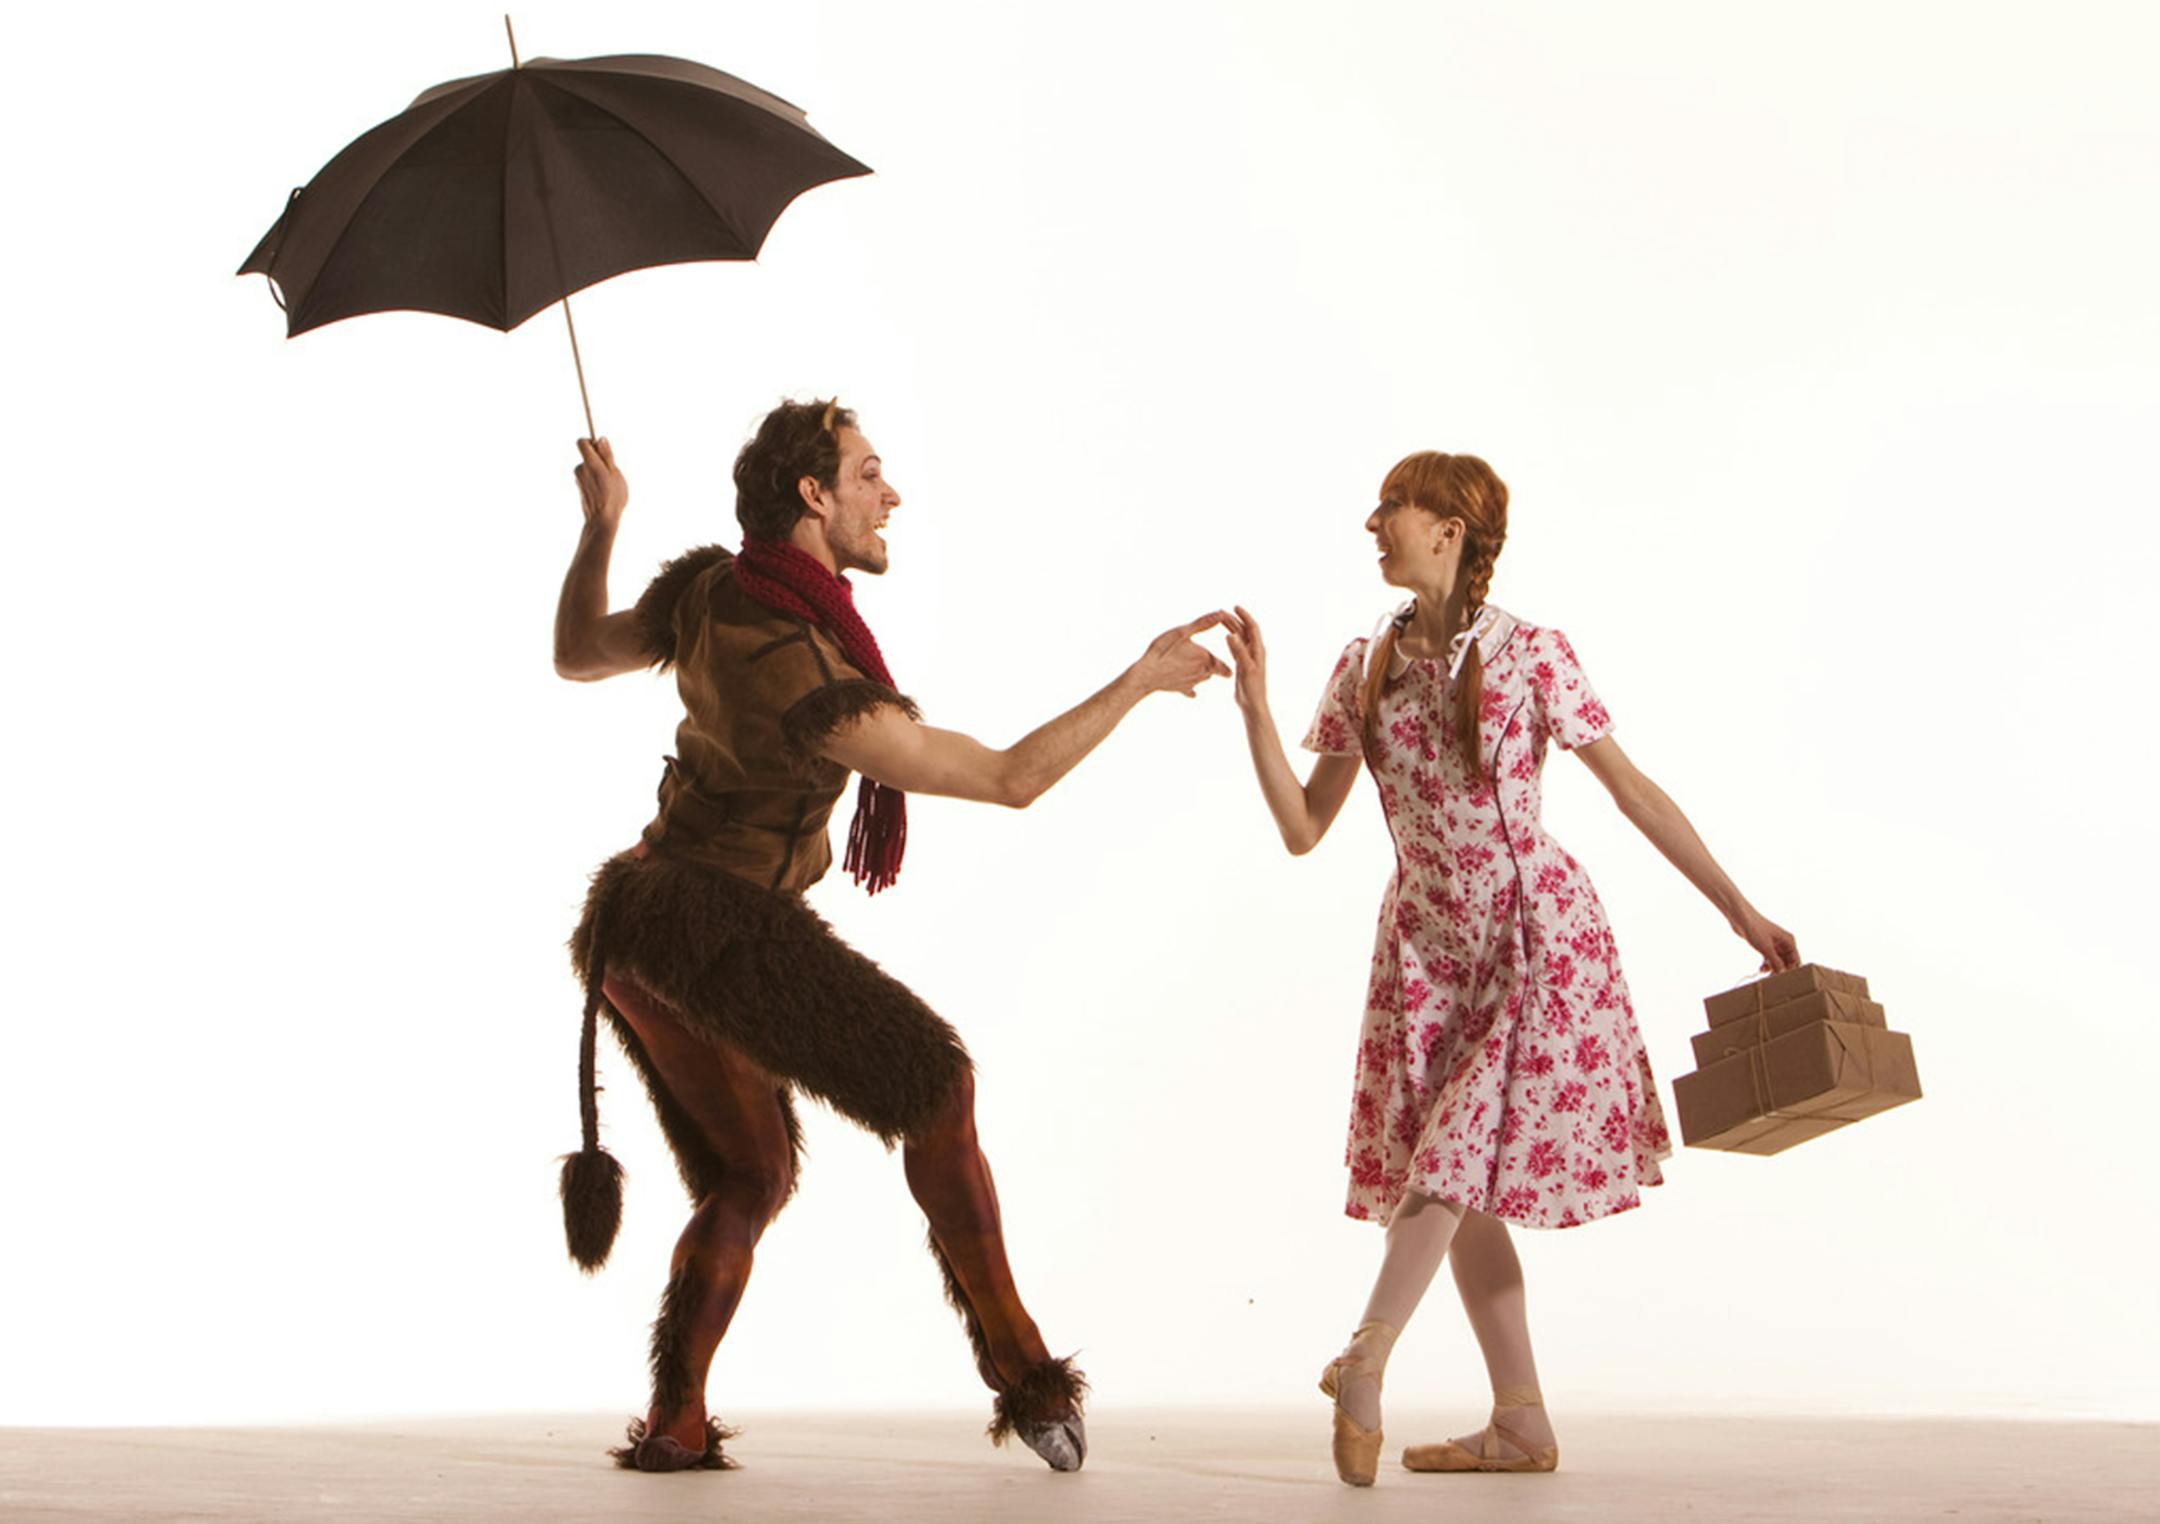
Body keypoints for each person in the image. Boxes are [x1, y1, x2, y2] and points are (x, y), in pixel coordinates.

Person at [550, 400, 1227, 1473]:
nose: (890, 494)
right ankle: (1021, 1364)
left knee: (751, 1173)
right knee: (938, 1089)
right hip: (712, 925)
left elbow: (578, 652)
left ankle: (677, 1419)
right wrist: (1140, 679)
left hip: (635, 922)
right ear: (813, 496)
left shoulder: (712, 588)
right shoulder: (812, 679)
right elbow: (1011, 779)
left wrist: (602, 527)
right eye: (869, 475)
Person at [1220, 450, 1798, 1486]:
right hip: (1425, 954)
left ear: (1449, 530)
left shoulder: (1533, 654)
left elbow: (1634, 793)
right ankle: (1522, 1421)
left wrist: (1739, 910)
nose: (1372, 524)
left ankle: (1365, 1357)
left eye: (1392, 507)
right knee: (1462, 1182)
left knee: (1449, 1160)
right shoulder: (1365, 663)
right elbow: (1304, 827)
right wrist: (1256, 708)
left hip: (1535, 942)